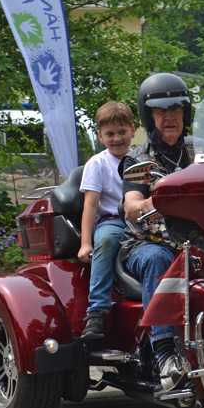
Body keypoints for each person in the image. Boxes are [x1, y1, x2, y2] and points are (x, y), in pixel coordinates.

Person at [120, 73, 204, 392]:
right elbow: (131, 203)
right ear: (150, 116)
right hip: (146, 242)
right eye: (161, 111)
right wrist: (144, 203)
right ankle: (166, 355)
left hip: (196, 242)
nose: (169, 116)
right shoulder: (139, 159)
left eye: (176, 109)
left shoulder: (202, 152)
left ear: (186, 113)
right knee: (158, 260)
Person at [77, 101, 135, 339]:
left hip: (143, 219)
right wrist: (85, 242)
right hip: (113, 219)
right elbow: (90, 204)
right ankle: (97, 312)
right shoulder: (97, 163)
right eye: (110, 134)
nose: (117, 139)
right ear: (100, 136)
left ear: (132, 130)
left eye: (122, 132)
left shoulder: (143, 158)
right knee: (108, 240)